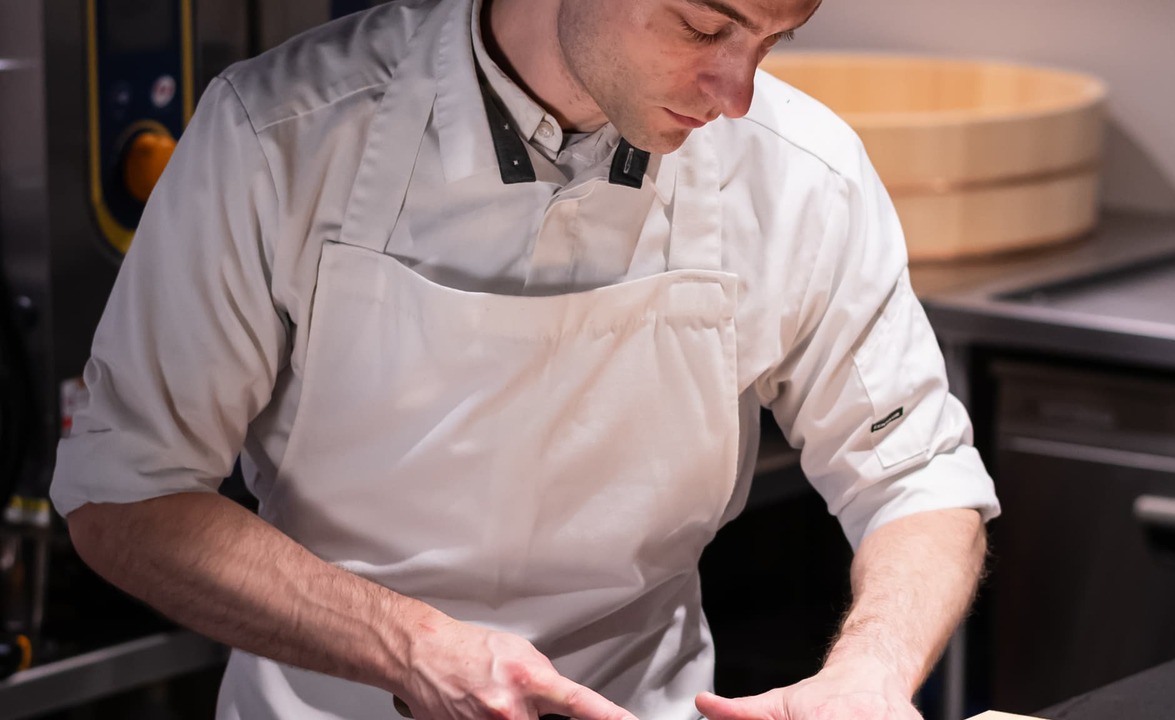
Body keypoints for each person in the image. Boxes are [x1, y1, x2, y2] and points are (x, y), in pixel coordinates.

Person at [51, 0, 1001, 717]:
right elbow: (123, 495)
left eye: (772, 39)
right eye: (706, 28)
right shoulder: (282, 138)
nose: (739, 90)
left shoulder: (801, 170)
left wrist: (868, 676)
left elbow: (917, 476)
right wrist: (410, 646)